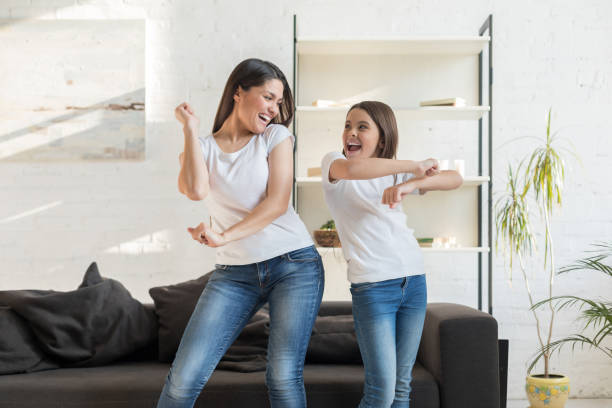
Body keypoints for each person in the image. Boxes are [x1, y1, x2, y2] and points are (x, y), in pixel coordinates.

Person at [157, 58, 324, 408]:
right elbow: (195, 191)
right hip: (235, 273)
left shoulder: (276, 138)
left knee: (282, 376)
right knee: (184, 377)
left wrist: (223, 235)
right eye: (267, 97)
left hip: (294, 265)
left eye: (278, 102)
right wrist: (189, 128)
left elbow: (277, 203)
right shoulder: (202, 148)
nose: (274, 108)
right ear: (238, 92)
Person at [320, 101, 463, 408]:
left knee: (401, 388)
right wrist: (412, 167)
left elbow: (454, 178)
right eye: (347, 125)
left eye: (361, 126)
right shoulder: (335, 165)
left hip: (413, 282)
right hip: (373, 288)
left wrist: (413, 184)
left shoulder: (395, 174)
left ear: (382, 138)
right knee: (381, 391)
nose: (351, 133)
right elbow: (355, 168)